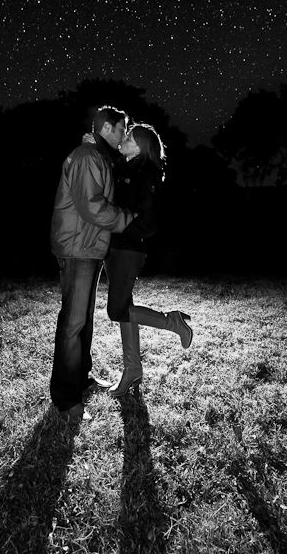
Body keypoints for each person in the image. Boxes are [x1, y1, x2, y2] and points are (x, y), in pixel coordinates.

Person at [50, 105, 135, 424]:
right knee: (73, 324)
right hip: (77, 247)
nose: (125, 135)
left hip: (87, 246)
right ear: (109, 128)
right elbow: (92, 207)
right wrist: (127, 219)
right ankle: (65, 399)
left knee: (82, 320)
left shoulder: (96, 155)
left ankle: (80, 378)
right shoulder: (87, 157)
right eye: (123, 129)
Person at [104, 123, 193, 397]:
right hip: (115, 248)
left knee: (116, 310)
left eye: (129, 136)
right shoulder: (125, 168)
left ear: (141, 145)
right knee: (124, 306)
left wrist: (124, 230)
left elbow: (150, 221)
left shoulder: (148, 173)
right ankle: (133, 369)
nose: (124, 138)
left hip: (129, 250)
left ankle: (172, 321)